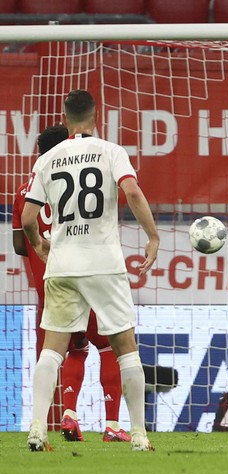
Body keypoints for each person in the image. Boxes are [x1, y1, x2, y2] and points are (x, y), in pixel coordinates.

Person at [22, 89, 159, 452]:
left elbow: (27, 218)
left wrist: (39, 245)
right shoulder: (111, 152)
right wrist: (153, 237)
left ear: (64, 120)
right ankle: (138, 435)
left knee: (52, 350)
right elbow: (131, 192)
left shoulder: (48, 159)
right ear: (96, 117)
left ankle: (37, 428)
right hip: (103, 262)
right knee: (125, 347)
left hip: (63, 263)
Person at [12, 124, 130, 444]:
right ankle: (114, 424)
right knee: (108, 346)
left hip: (50, 286)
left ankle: (68, 415)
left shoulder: (25, 191)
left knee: (69, 350)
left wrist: (39, 245)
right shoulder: (81, 178)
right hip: (85, 274)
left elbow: (20, 244)